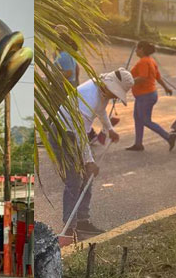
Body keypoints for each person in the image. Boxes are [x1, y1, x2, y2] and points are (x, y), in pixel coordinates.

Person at [56, 68, 132, 235]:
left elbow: (101, 110)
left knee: (87, 177)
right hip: (64, 132)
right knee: (74, 179)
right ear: (109, 85)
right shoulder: (89, 96)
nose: (115, 98)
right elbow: (80, 134)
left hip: (76, 132)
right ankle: (69, 226)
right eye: (115, 93)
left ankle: (83, 220)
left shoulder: (102, 91)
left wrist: (109, 129)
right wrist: (89, 161)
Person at [127, 41, 176, 151]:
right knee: (138, 118)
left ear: (141, 49)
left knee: (145, 120)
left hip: (145, 95)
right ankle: (138, 144)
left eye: (137, 48)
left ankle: (168, 137)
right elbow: (158, 77)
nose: (135, 51)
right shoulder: (151, 60)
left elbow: (143, 78)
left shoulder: (144, 62)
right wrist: (166, 88)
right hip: (145, 95)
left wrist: (128, 82)